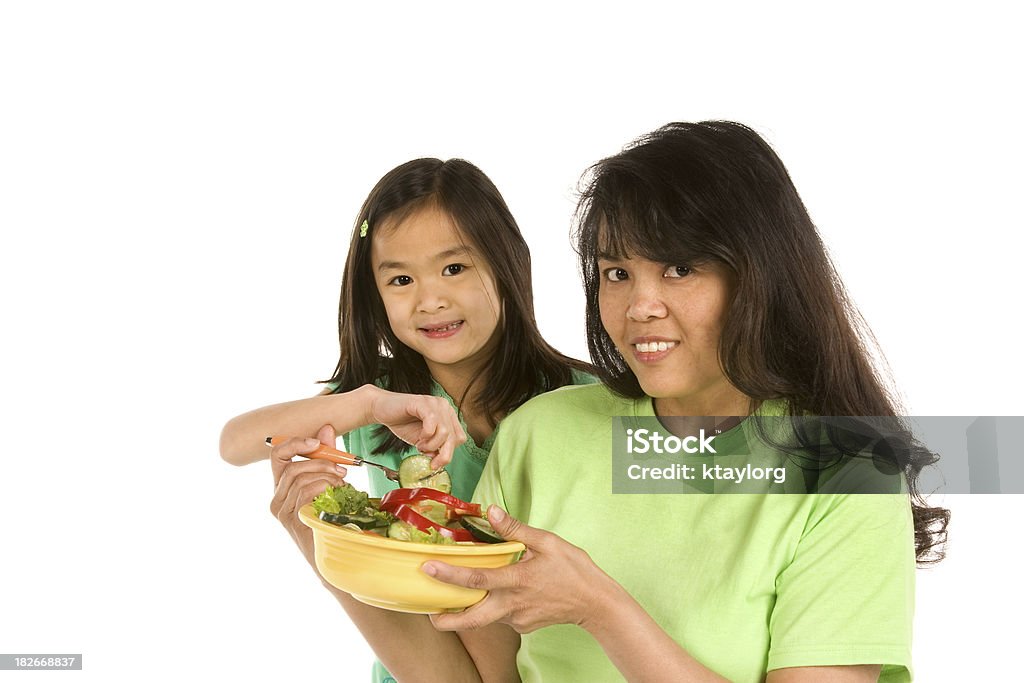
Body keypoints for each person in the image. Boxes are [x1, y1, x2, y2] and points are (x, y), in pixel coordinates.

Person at [420, 122, 949, 682]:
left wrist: (600, 609)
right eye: (617, 273)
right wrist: (318, 534)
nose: (639, 306)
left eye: (680, 268)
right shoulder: (539, 433)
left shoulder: (850, 471)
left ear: (759, 277)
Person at [219, 157, 594, 682]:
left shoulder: (584, 399)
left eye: (454, 268)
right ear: (375, 295)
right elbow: (236, 443)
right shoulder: (382, 403)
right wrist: (366, 403)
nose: (430, 300)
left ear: (506, 263)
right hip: (418, 660)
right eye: (400, 279)